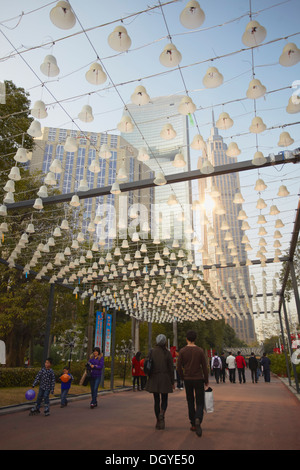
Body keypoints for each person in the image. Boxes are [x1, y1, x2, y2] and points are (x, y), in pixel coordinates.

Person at [177, 330, 209, 437]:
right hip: (198, 378)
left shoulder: (182, 351)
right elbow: (204, 367)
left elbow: (178, 367)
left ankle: (192, 423)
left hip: (187, 379)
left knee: (190, 400)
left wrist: (182, 377)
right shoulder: (200, 351)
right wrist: (206, 380)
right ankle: (198, 418)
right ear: (195, 339)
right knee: (200, 401)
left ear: (187, 338)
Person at [145, 334, 174, 430]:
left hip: (154, 378)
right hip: (165, 378)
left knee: (156, 400)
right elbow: (171, 368)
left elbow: (147, 364)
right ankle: (162, 412)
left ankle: (158, 420)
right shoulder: (167, 353)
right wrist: (172, 381)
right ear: (165, 342)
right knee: (164, 399)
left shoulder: (152, 352)